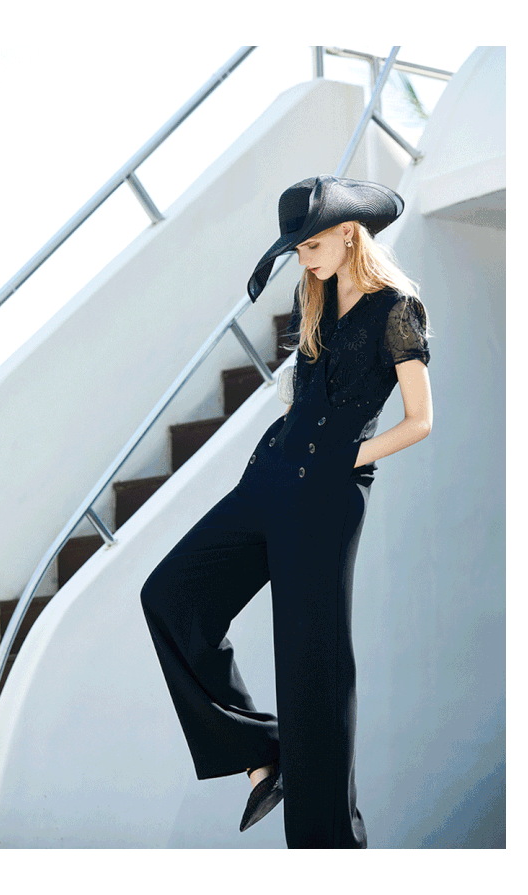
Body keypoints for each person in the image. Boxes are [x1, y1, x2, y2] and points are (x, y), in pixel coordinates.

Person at [140, 175, 433, 848]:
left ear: (348, 233)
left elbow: (420, 420)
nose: (303, 257)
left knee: (312, 670)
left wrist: (346, 459)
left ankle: (327, 849)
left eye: (310, 244)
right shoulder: (314, 298)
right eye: (296, 248)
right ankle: (260, 748)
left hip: (327, 497)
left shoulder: (398, 308)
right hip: (268, 480)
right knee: (170, 595)